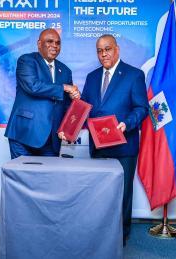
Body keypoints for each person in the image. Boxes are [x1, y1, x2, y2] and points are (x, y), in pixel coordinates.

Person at [61, 34, 148, 245]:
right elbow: (87, 110)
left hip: (123, 144)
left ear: (117, 49)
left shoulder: (134, 75)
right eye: (99, 51)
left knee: (123, 192)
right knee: (100, 193)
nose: (103, 54)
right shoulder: (92, 77)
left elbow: (142, 108)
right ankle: (101, 233)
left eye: (107, 49)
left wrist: (126, 124)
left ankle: (121, 234)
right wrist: (69, 129)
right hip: (98, 145)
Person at [5, 29, 79, 158]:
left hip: (52, 139)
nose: (54, 45)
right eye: (49, 42)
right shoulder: (26, 60)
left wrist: (74, 97)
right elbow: (33, 86)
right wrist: (64, 88)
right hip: (24, 134)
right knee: (22, 177)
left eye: (58, 43)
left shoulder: (66, 71)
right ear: (39, 44)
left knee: (48, 178)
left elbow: (66, 105)